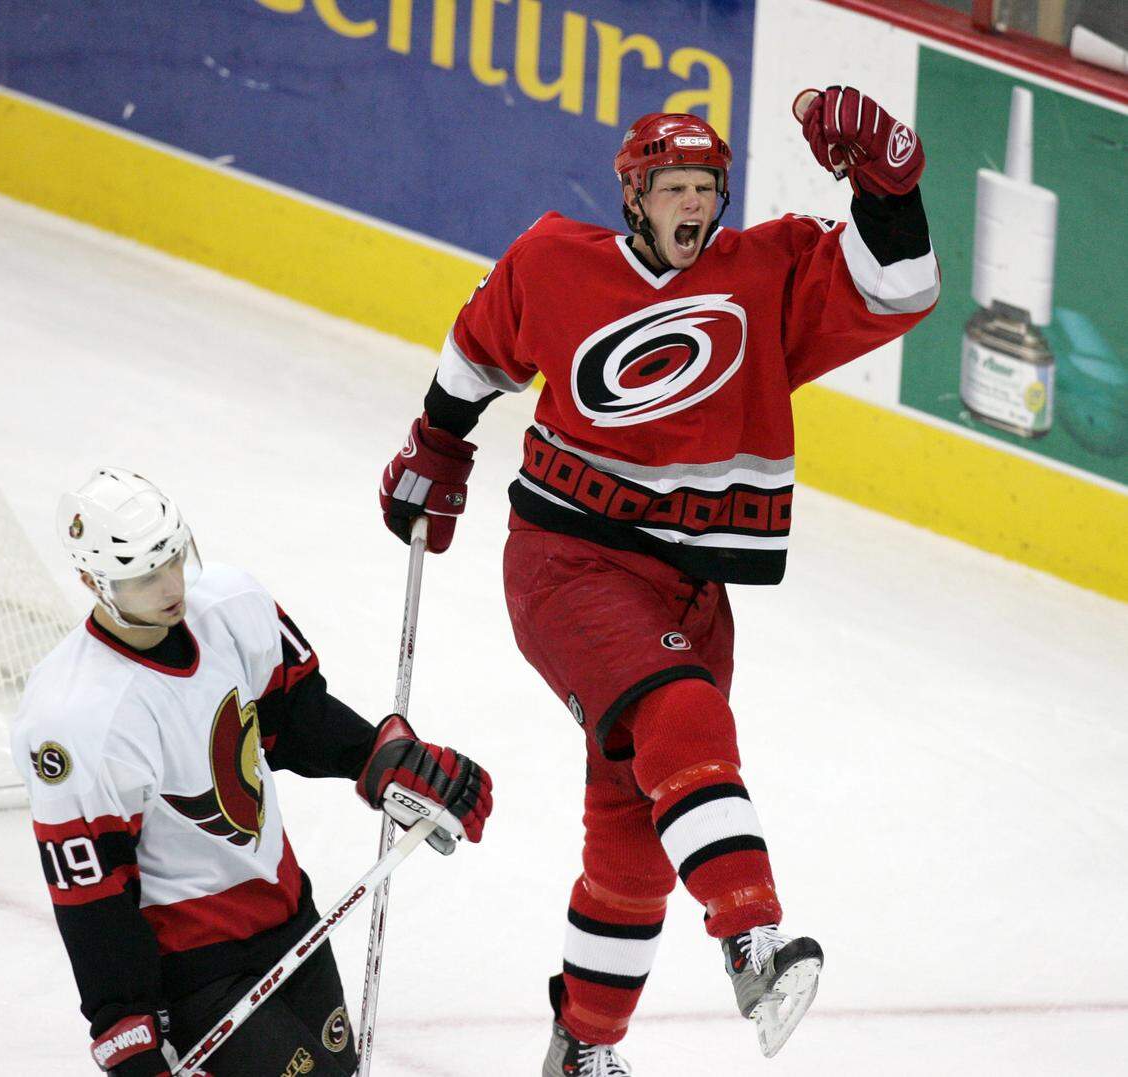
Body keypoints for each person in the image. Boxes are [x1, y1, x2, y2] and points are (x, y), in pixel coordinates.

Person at [379, 86, 939, 1074]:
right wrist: (437, 446)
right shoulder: (557, 262)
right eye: (675, 186)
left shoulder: (761, 276)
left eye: (706, 187)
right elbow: (477, 350)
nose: (693, 203)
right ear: (634, 196)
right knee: (685, 720)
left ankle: (583, 1051)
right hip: (569, 561)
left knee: (635, 829)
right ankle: (752, 943)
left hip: (691, 591)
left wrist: (890, 182)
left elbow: (894, 288)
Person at [12, 466, 493, 1076]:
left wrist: (377, 757)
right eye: (142, 575)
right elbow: (94, 888)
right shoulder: (75, 716)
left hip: (289, 915)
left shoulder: (231, 606)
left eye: (173, 558)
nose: (170, 585)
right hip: (196, 962)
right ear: (92, 580)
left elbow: (290, 716)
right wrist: (123, 1024)